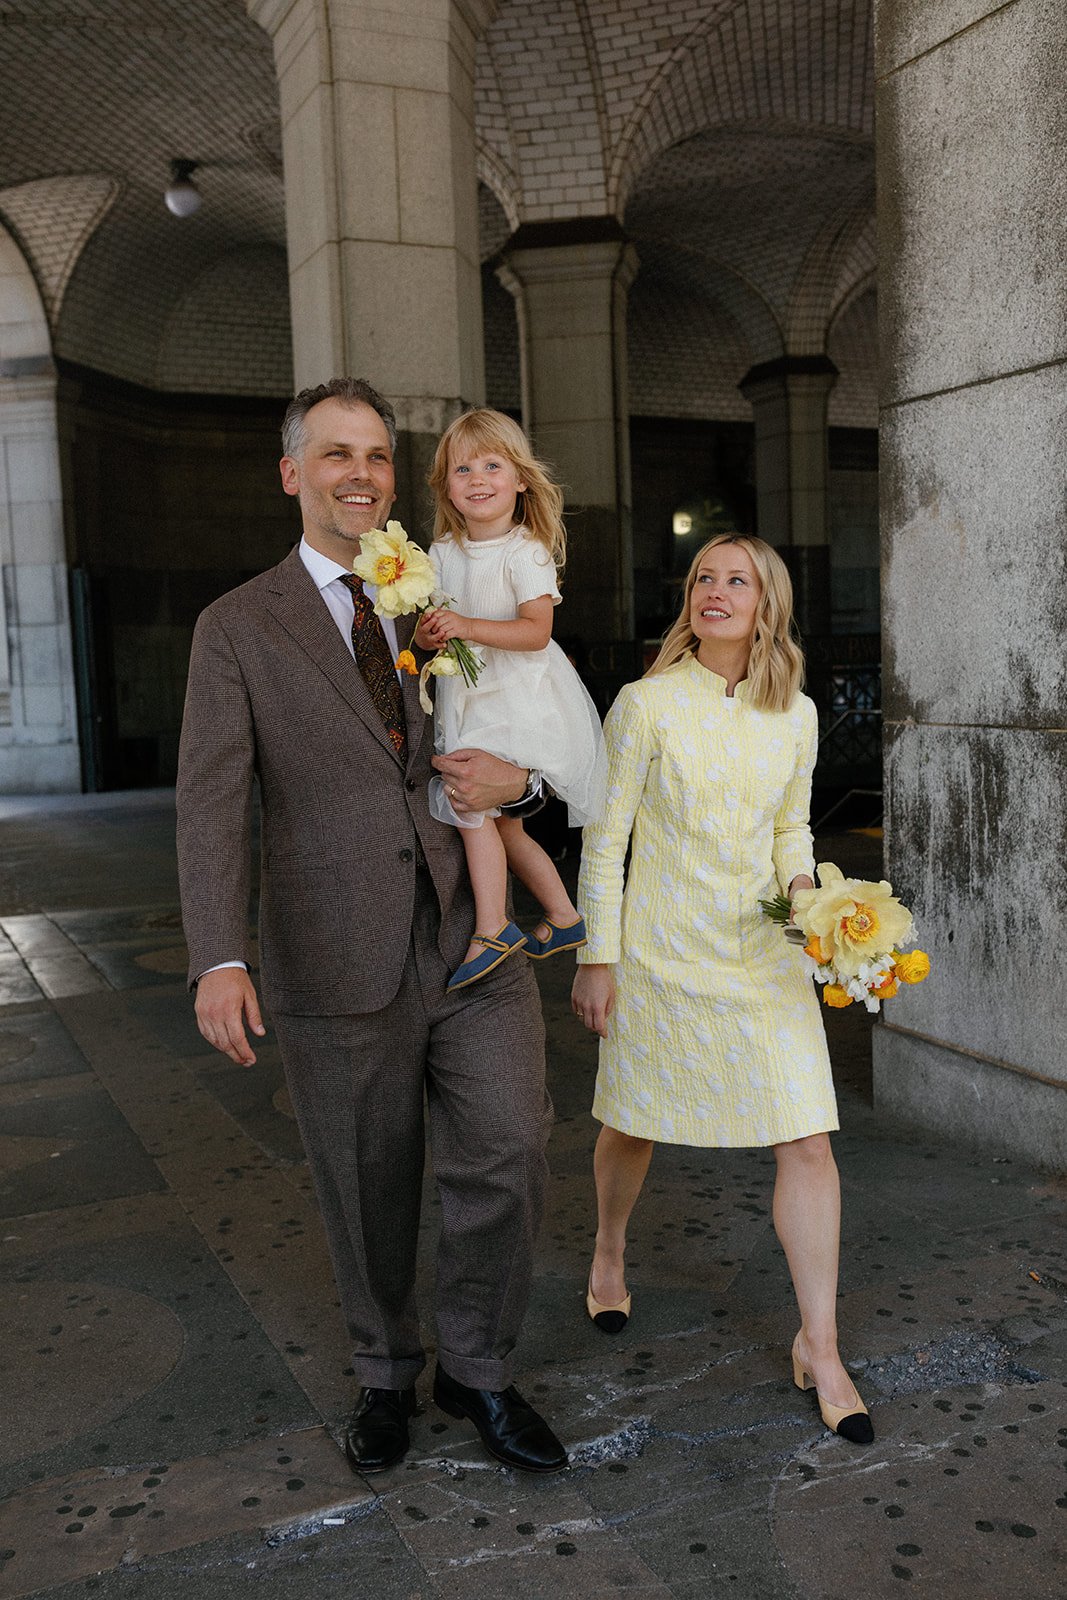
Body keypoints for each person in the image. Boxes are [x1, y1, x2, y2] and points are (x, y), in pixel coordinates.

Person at [176, 377, 567, 1475]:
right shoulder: (236, 627)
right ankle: (387, 1369)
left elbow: (522, 713)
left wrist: (523, 785)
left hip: (467, 929)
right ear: (292, 472)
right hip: (329, 944)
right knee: (365, 1172)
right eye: (336, 454)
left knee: (511, 1143)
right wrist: (218, 952)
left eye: (379, 457)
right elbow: (212, 799)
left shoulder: (442, 590)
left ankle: (478, 1370)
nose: (361, 473)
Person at [571, 534, 874, 1445]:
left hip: (763, 958)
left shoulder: (798, 715)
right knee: (630, 1122)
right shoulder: (645, 704)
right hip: (661, 952)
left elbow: (792, 834)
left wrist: (818, 910)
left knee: (809, 1145)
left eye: (734, 580)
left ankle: (818, 1345)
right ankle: (609, 1249)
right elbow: (604, 838)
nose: (714, 590)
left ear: (765, 603)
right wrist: (598, 955)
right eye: (703, 577)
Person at [418, 408, 606, 990]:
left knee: (470, 804)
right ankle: (566, 917)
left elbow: (536, 632)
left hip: (516, 699)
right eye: (462, 468)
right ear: (446, 485)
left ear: (520, 479)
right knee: (505, 829)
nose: (477, 478)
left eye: (492, 465)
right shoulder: (443, 551)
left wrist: (467, 626)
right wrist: (431, 634)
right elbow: (432, 624)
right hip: (468, 696)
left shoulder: (526, 551)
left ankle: (494, 924)